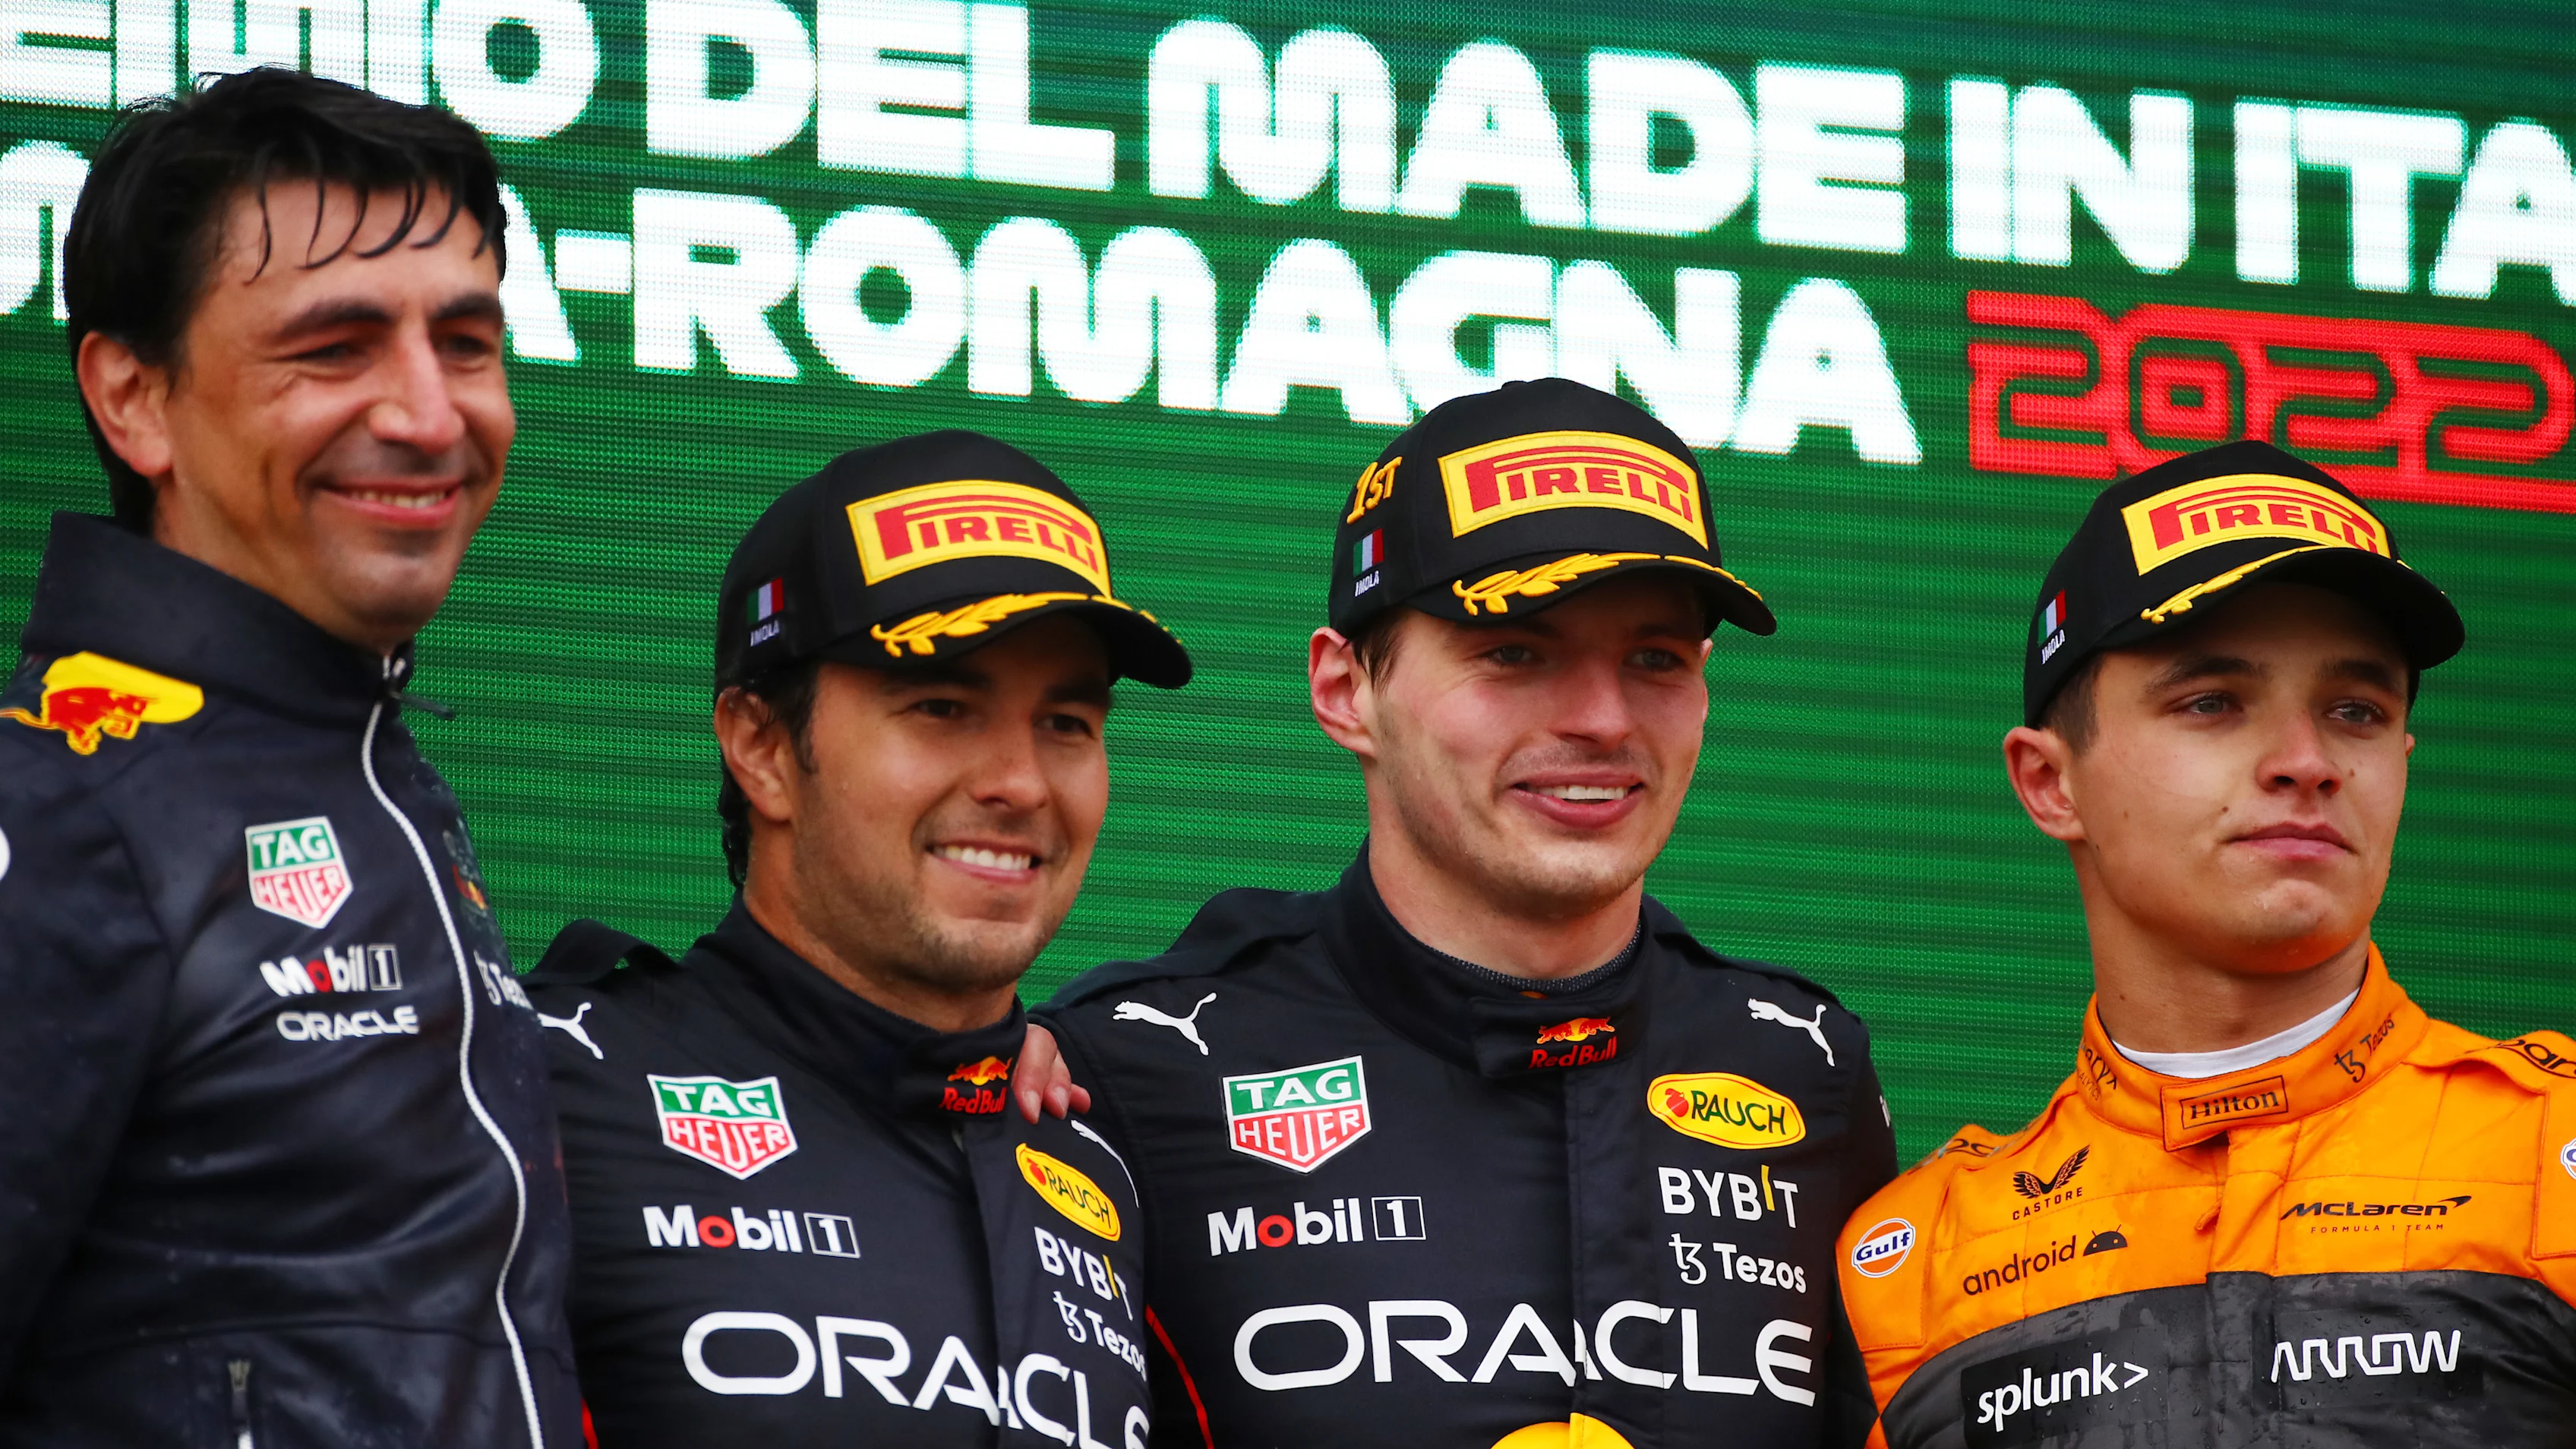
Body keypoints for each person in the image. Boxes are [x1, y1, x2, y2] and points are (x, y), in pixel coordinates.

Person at [1029, 378, 1900, 1449]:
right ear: (1347, 690)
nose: (1602, 718)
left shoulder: (1808, 1067)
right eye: (1517, 652)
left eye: (1655, 658)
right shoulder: (1126, 1069)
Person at [0, 69, 579, 1444]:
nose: (432, 417)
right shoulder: (61, 803)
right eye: (335, 349)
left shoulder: (364, 773)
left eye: (469, 341)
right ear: (134, 398)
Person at [1834, 440, 2576, 1446]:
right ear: (2052, 783)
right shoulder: (1919, 1259)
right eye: (2213, 702)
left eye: (2355, 711)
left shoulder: (2552, 1150)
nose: (2308, 762)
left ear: (2401, 762)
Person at [526, 431, 1192, 1446]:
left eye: (1067, 722)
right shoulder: (533, 1089)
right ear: (761, 747)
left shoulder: (1103, 1147)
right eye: (941, 707)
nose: (1020, 782)